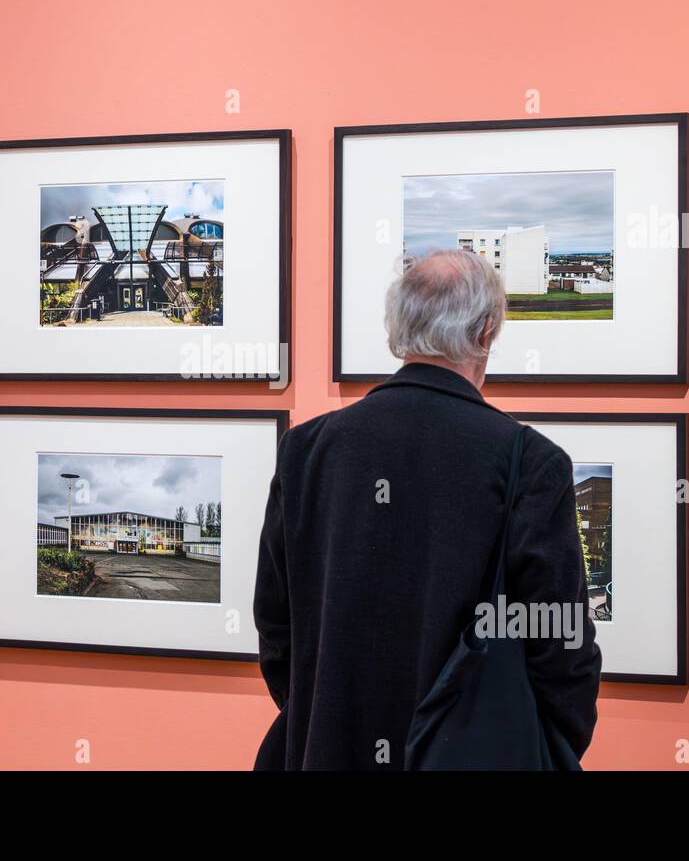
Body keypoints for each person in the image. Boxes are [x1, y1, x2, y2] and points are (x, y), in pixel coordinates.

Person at [253, 249, 601, 770]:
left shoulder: (308, 449)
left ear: (398, 329)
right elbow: (559, 644)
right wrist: (543, 746)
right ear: (486, 332)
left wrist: (321, 716)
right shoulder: (530, 462)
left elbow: (276, 627)